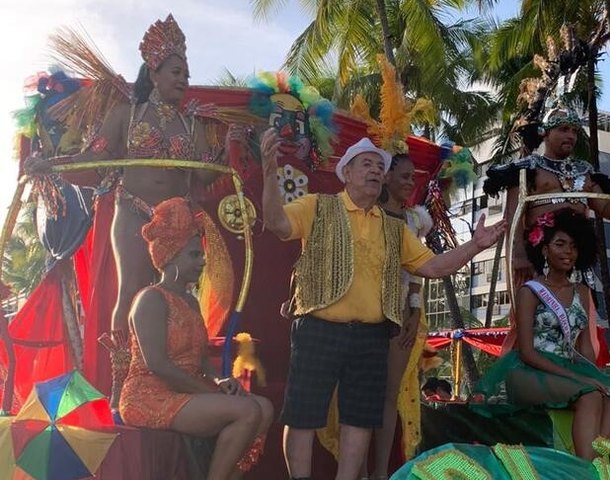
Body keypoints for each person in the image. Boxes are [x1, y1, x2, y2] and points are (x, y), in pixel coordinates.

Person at [260, 132, 506, 480]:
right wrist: (269, 173)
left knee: (359, 419)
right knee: (302, 416)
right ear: (346, 173)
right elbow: (277, 223)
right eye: (366, 164)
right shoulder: (318, 206)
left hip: (372, 336)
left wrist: (475, 246)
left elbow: (434, 267)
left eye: (380, 166)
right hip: (317, 328)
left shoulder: (394, 229)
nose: (375, 171)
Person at [24, 14, 229, 409]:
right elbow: (94, 159)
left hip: (176, 219)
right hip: (133, 213)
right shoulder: (126, 115)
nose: (184, 79)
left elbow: (203, 178)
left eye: (187, 72)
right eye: (176, 71)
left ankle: (174, 377)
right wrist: (50, 164)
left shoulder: (194, 124)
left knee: (178, 294)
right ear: (153, 72)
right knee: (132, 291)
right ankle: (124, 385)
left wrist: (226, 147)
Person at [119, 197, 273, 479]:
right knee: (247, 411)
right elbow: (158, 365)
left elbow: (201, 358)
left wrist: (219, 381)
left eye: (200, 254)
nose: (203, 261)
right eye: (194, 255)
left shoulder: (189, 301)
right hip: (150, 395)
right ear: (171, 257)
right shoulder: (150, 299)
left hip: (188, 389)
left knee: (264, 408)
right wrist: (209, 392)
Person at [473, 209, 610, 460]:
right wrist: (580, 379)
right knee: (590, 393)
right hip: (527, 372)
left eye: (573, 246)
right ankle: (586, 470)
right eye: (560, 244)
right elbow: (526, 352)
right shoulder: (530, 291)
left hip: (566, 372)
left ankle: (596, 464)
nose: (568, 252)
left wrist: (594, 375)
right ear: (544, 249)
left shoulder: (582, 292)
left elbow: (584, 349)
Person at [483, 105, 610, 354]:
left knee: (582, 321)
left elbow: (605, 208)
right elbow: (513, 216)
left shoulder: (586, 171)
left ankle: (583, 379)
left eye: (574, 131)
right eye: (563, 129)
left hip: (576, 260)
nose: (570, 136)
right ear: (546, 133)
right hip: (537, 259)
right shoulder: (526, 169)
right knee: (532, 322)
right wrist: (518, 256)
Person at [365, 153, 432, 479]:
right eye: (403, 176)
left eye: (412, 177)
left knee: (389, 395)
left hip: (400, 313)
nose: (409, 183)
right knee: (359, 394)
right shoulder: (367, 214)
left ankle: (379, 472)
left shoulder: (413, 222)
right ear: (386, 177)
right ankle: (357, 469)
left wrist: (415, 312)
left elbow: (416, 272)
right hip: (364, 311)